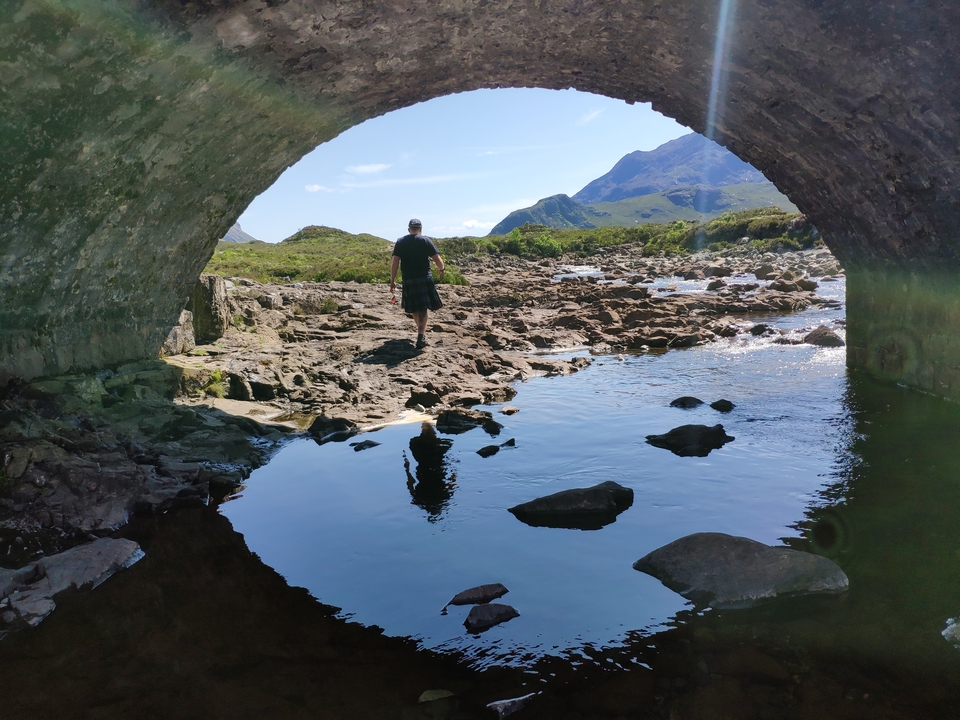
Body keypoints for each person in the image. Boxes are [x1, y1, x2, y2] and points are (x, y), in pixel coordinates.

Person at [390, 218, 445, 349]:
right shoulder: (425, 240)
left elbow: (395, 263)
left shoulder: (401, 242)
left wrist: (392, 281)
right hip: (424, 278)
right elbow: (437, 258)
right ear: (420, 229)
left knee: (414, 308)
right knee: (423, 308)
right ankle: (421, 336)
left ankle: (421, 333)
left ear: (409, 229)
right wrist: (442, 269)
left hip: (408, 279)